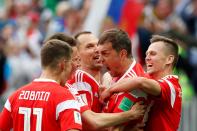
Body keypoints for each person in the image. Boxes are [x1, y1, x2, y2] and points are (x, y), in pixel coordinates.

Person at [44, 32, 147, 131]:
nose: (97, 49)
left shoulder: (104, 81)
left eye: (96, 45)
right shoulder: (78, 81)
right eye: (89, 46)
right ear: (76, 54)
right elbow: (90, 123)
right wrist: (129, 116)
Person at [101, 35, 182, 131]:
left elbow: (140, 81)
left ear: (169, 59)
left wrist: (109, 90)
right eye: (147, 54)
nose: (147, 58)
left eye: (153, 54)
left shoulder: (171, 85)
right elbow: (109, 76)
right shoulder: (148, 80)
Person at [0, 40, 82, 131]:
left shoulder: (15, 97)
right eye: (71, 64)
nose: (72, 71)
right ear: (63, 65)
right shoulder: (65, 97)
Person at [97, 28, 148, 130]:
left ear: (122, 54)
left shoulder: (134, 86)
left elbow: (112, 128)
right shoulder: (109, 75)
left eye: (105, 54)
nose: (100, 59)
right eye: (99, 54)